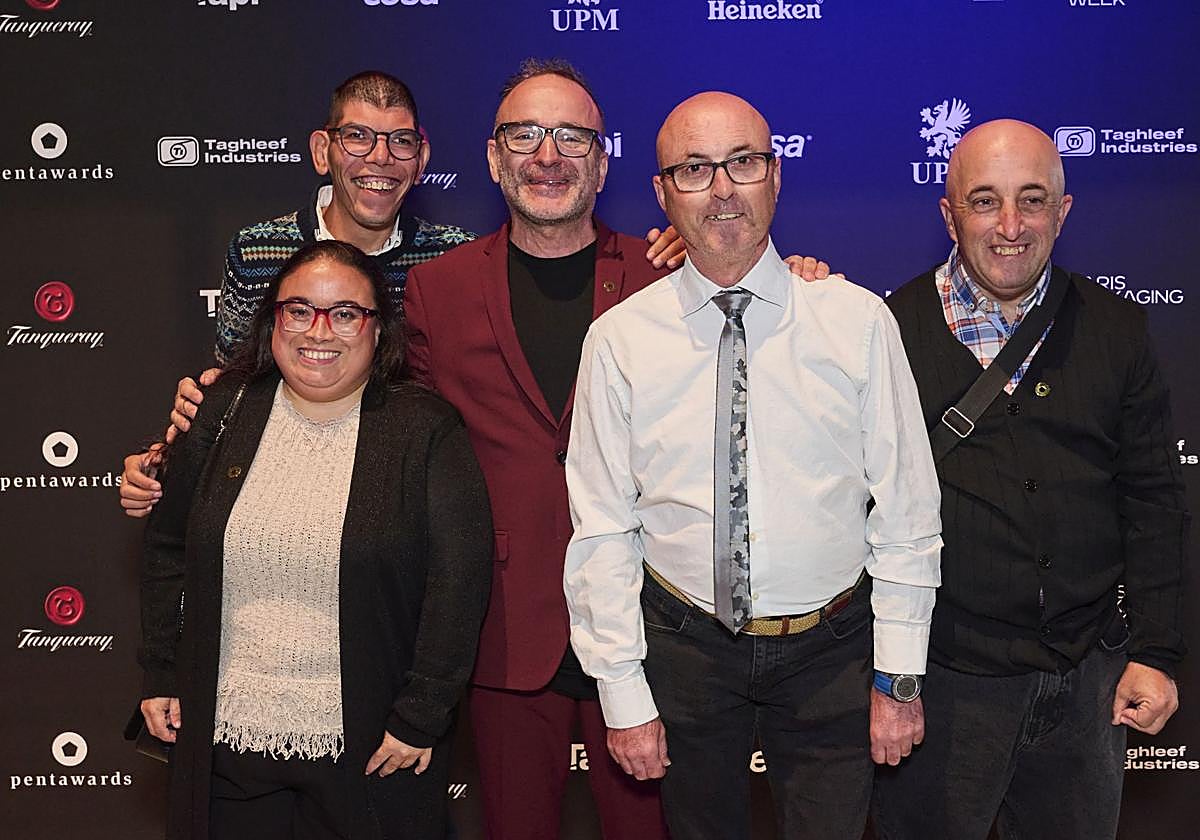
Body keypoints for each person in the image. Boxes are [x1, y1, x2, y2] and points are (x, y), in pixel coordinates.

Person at [562, 91, 943, 840]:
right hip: (684, 648)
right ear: (662, 193)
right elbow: (602, 529)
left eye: (743, 162)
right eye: (695, 169)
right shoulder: (618, 342)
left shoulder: (856, 321)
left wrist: (898, 677)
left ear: (776, 175)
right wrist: (623, 693)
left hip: (834, 651)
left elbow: (906, 511)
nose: (723, 189)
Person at [120, 69, 684, 515]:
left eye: (400, 141)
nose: (380, 158)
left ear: (421, 160)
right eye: (358, 137)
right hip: (285, 490)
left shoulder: (446, 259)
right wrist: (166, 455)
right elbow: (231, 385)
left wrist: (691, 254)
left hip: (389, 504)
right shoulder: (258, 250)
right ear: (322, 150)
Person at [872, 119, 1189, 840]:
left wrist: (1155, 653)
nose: (1010, 226)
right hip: (946, 685)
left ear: (1063, 211)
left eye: (1033, 200)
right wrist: (888, 678)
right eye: (985, 201)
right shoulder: (888, 331)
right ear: (949, 215)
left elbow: (1153, 503)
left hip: (1089, 685)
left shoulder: (1115, 328)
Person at [137, 240, 493, 840]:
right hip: (225, 744)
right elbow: (169, 547)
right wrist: (160, 673)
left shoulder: (425, 429)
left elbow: (458, 583)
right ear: (273, 320)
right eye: (298, 310)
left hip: (371, 751)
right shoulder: (222, 410)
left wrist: (422, 714)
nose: (318, 331)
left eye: (345, 313)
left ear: (378, 329)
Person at [400, 59, 671, 840]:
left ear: (602, 162)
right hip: (505, 626)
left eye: (571, 137)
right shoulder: (438, 290)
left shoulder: (666, 278)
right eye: (524, 135)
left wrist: (803, 277)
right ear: (493, 159)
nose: (547, 155)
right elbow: (406, 448)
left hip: (648, 622)